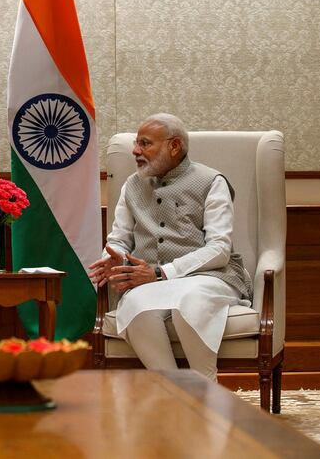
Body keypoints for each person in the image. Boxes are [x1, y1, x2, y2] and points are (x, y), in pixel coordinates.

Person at [88, 113, 251, 381]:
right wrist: (112, 256)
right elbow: (119, 238)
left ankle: (205, 386)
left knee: (190, 303)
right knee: (136, 306)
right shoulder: (132, 185)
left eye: (145, 143)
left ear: (174, 146)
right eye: (136, 144)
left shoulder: (211, 182)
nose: (135, 151)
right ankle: (173, 389)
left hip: (210, 277)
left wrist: (162, 272)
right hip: (150, 283)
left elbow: (219, 248)